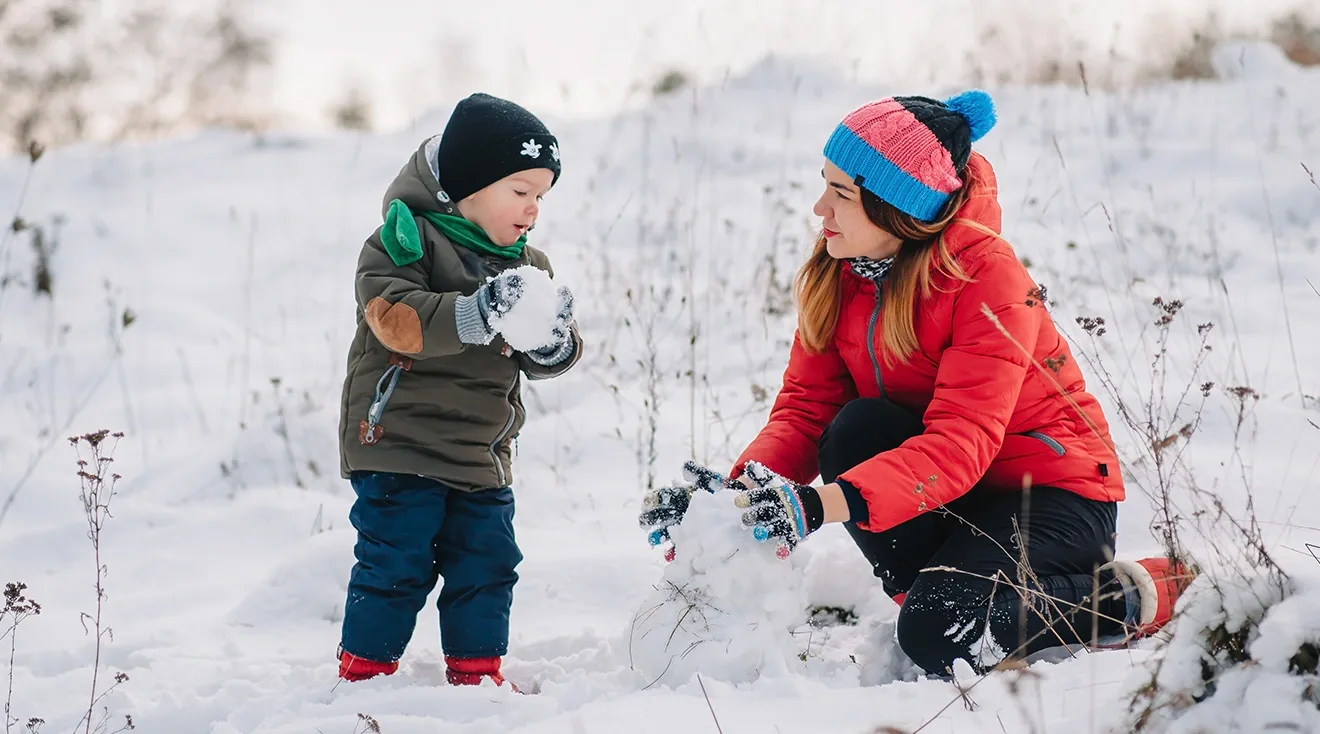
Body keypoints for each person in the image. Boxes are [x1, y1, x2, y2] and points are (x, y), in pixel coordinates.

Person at [642, 90, 1188, 676]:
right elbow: (805, 412)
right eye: (823, 184)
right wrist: (730, 505)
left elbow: (961, 441)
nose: (820, 208)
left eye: (841, 194)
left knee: (938, 636)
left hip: (1051, 495)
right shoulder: (841, 270)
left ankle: (1145, 592)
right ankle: (945, 598)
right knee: (853, 430)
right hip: (951, 490)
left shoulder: (988, 276)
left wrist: (816, 506)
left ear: (897, 207)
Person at [336, 93, 581, 688]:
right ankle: (364, 672)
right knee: (397, 561)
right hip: (400, 442)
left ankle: (476, 673)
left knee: (488, 563)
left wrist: (552, 342)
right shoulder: (404, 240)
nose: (532, 211)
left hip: (480, 453)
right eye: (519, 191)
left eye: (541, 197)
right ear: (470, 184)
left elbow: (541, 357)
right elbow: (395, 318)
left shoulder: (528, 265)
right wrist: (479, 310)